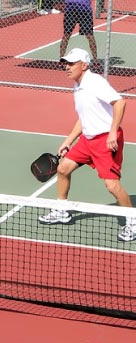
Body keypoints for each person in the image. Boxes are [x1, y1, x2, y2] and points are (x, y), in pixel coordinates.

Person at [38, 48, 136, 241]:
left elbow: (120, 103)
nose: (67, 67)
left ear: (84, 65)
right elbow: (83, 119)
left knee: (112, 185)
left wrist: (112, 133)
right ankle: (62, 211)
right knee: (63, 169)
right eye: (66, 63)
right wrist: (68, 141)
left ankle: (132, 221)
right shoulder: (78, 85)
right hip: (87, 140)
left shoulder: (94, 82)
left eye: (71, 63)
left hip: (104, 141)